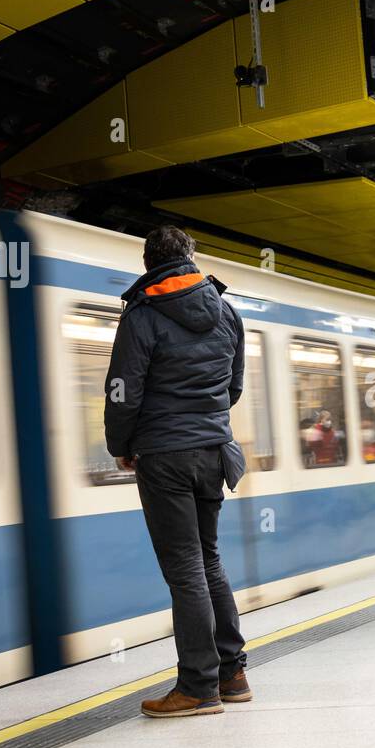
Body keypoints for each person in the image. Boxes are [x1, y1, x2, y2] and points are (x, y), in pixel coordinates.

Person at [105, 225, 252, 716]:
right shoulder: (226, 310)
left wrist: (122, 445)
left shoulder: (142, 315)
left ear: (148, 262)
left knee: (186, 569)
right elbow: (233, 387)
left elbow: (123, 390)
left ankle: (198, 687)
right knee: (209, 560)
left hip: (165, 456)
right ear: (191, 257)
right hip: (213, 449)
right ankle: (232, 674)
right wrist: (207, 417)